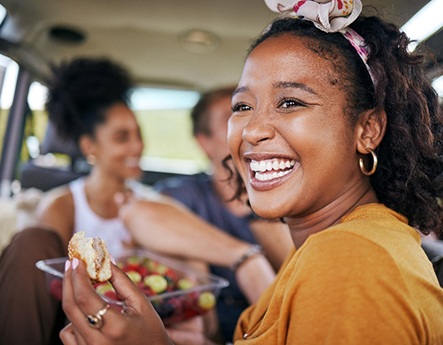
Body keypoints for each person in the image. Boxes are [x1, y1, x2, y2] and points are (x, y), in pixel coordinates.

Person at [60, 0, 443, 344]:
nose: (253, 130)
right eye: (242, 107)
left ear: (367, 130)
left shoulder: (352, 259)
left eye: (290, 102)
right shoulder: (329, 247)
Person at [0, 57, 152, 345]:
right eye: (122, 137)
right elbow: (47, 283)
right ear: (88, 146)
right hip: (74, 319)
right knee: (32, 239)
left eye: (139, 134)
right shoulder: (62, 205)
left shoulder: (152, 204)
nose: (138, 146)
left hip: (140, 321)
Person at [152, 85, 292, 342]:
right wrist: (245, 258)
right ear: (204, 143)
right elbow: (140, 213)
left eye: (250, 111)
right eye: (234, 115)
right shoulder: (188, 193)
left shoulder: (286, 197)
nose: (249, 127)